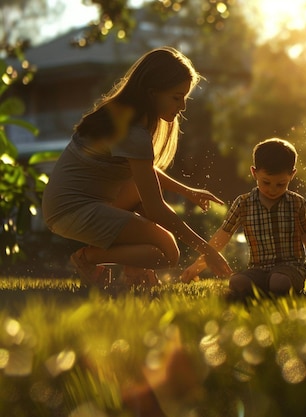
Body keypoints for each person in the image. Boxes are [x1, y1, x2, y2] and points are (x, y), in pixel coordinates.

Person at [42, 46, 232, 289]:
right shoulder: (132, 131)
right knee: (167, 253)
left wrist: (187, 191)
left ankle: (134, 271)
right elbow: (155, 208)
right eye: (176, 97)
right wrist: (208, 251)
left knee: (141, 197)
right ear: (152, 93)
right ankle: (88, 258)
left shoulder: (127, 118)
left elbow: (143, 171)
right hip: (70, 211)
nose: (182, 106)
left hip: (75, 204)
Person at [181, 138, 306, 297]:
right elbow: (223, 235)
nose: (272, 189)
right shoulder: (243, 204)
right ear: (254, 173)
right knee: (237, 282)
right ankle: (262, 286)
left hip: (290, 268)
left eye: (281, 184)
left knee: (279, 282)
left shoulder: (296, 203)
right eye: (266, 182)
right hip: (259, 269)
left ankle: (271, 286)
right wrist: (198, 265)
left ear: (292, 175)